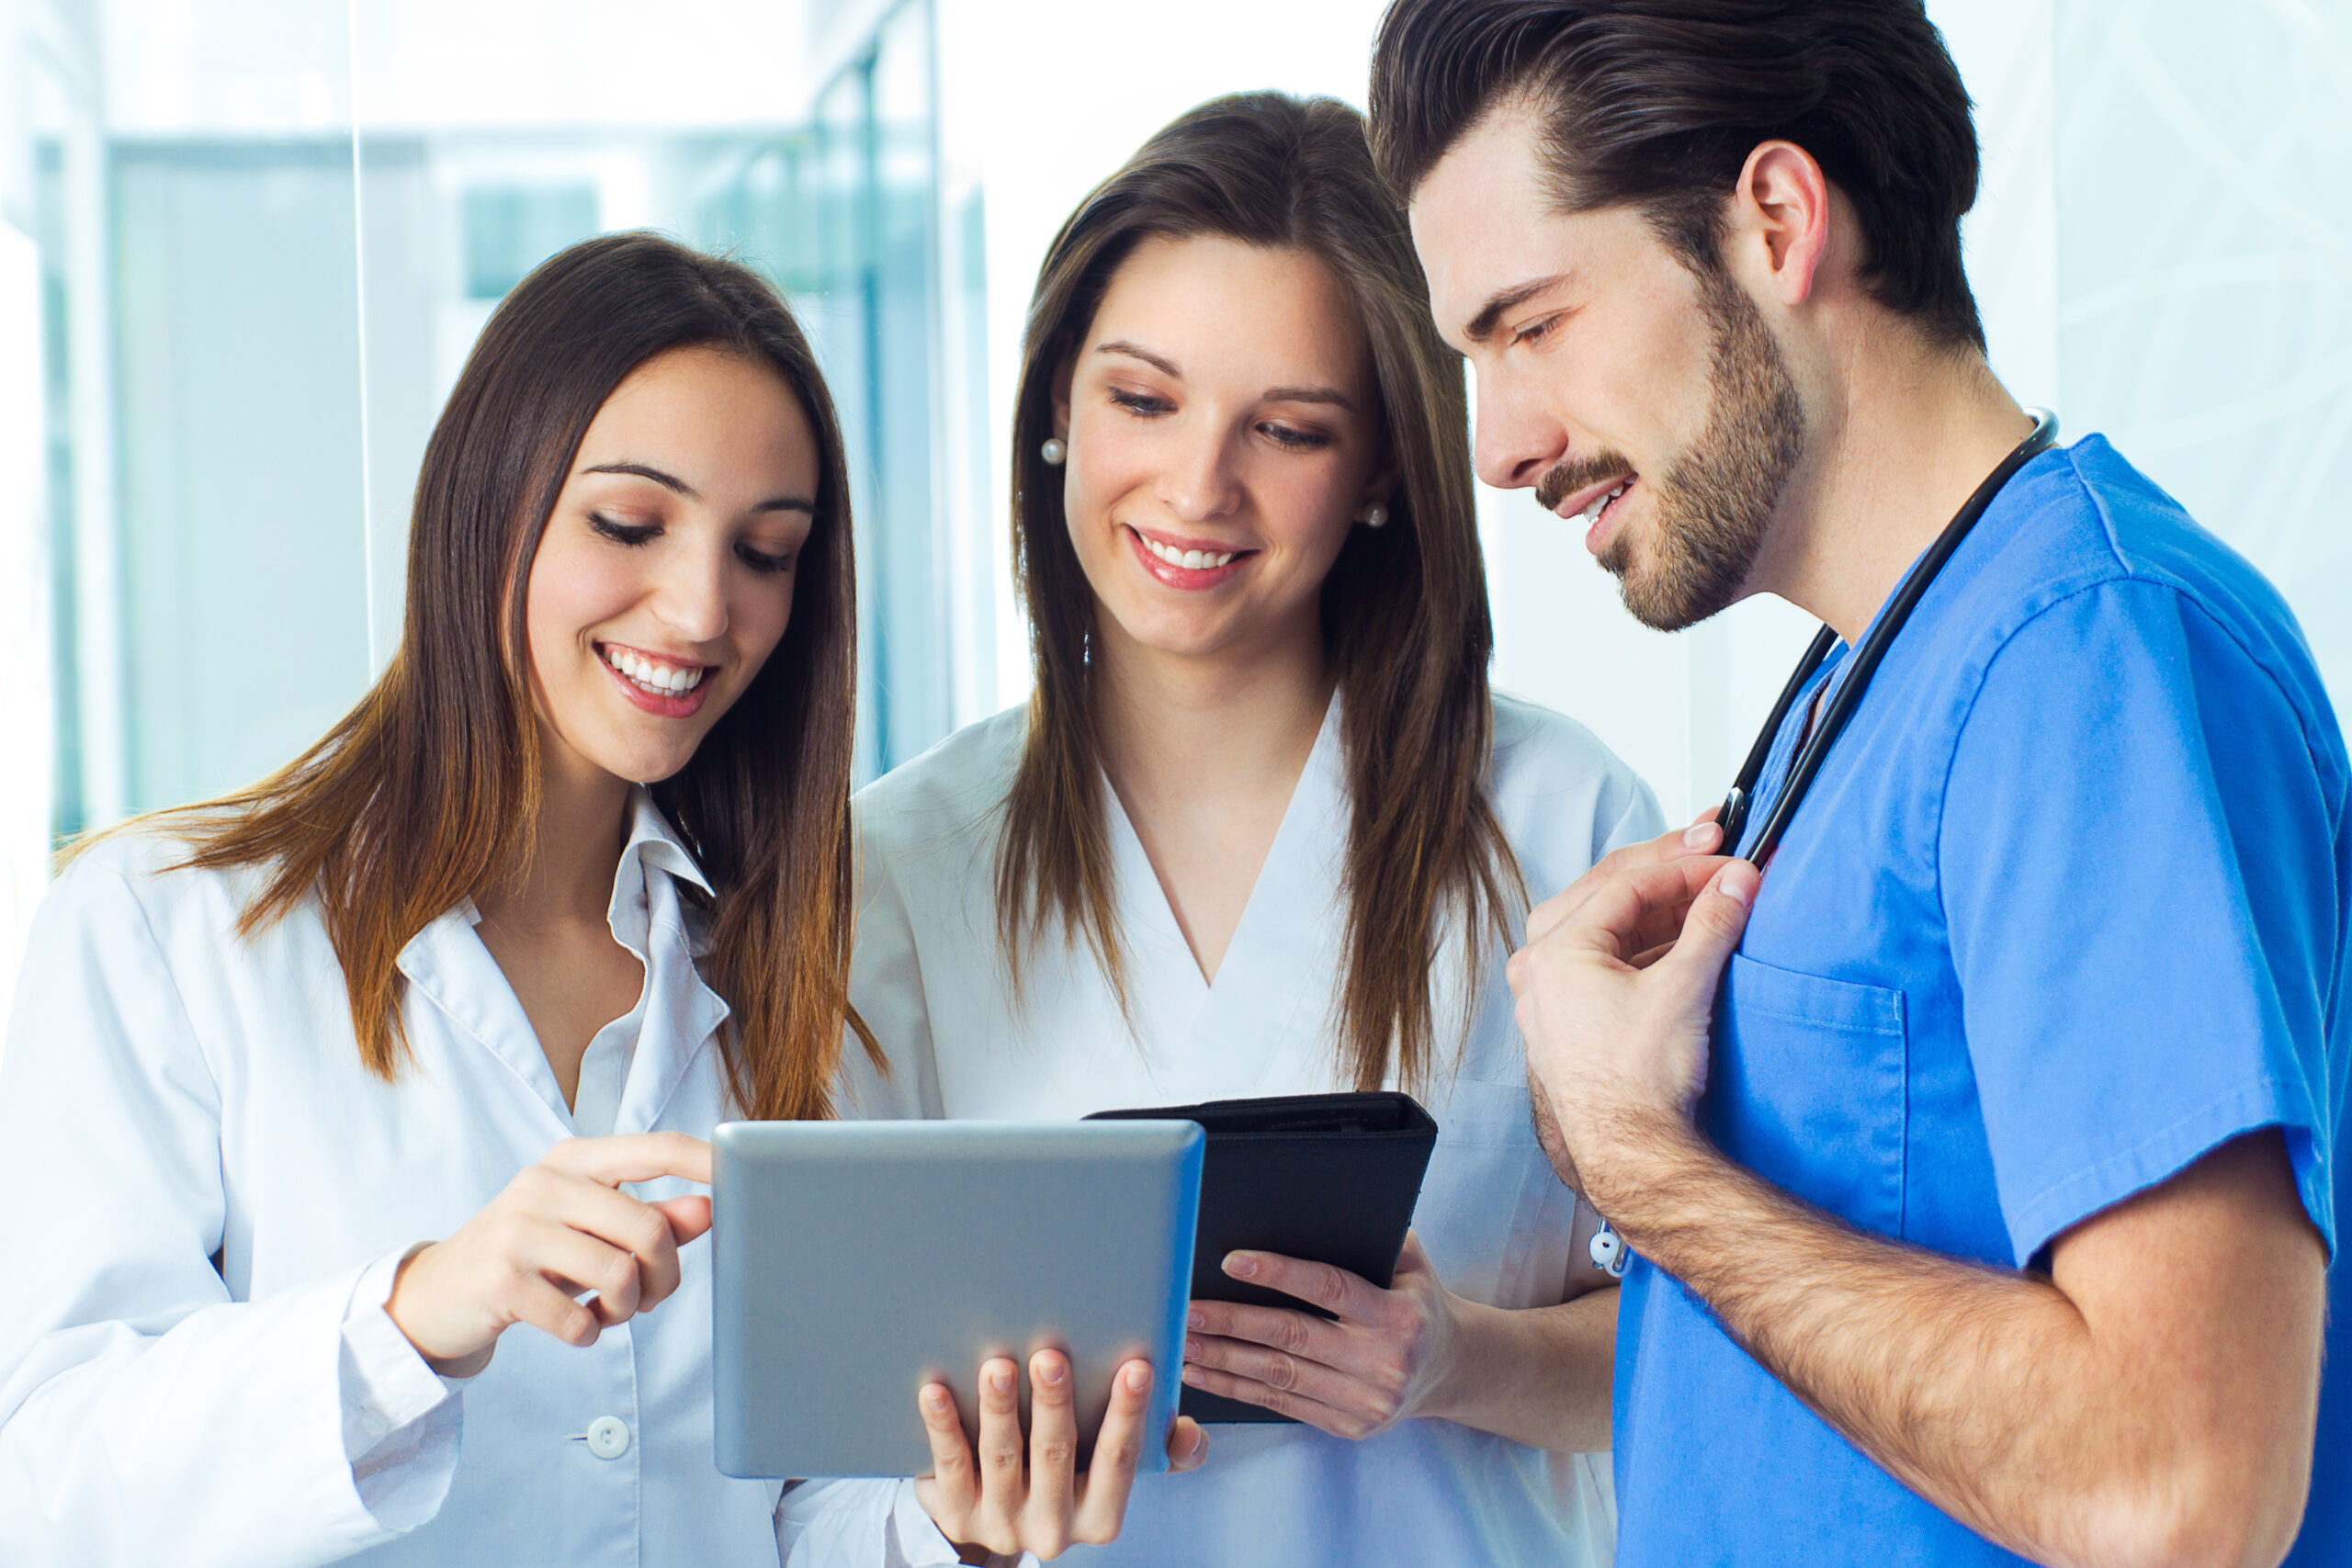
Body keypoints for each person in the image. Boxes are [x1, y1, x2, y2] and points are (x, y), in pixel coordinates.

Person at [0, 232, 1178, 1567]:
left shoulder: (789, 969)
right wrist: (415, 1315)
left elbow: (793, 1511)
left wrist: (955, 1527)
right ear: (486, 503)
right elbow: (47, 1478)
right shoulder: (162, 931)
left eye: (767, 552)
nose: (698, 608)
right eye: (630, 524)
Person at [1367, 2, 2346, 1565]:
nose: (1497, 445)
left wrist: (1637, 1168)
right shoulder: (1876, 676)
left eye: (1530, 327)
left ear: (1773, 219)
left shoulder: (2090, 656)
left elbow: (2185, 1484)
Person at [844, 92, 1658, 1568]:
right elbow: (818, 1461)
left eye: (1286, 429)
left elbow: (1715, 1347)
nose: (1197, 487)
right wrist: (957, 1525)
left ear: (1386, 473)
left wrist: (1453, 1357)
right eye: (1142, 402)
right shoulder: (893, 870)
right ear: (1054, 412)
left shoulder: (1564, 824)